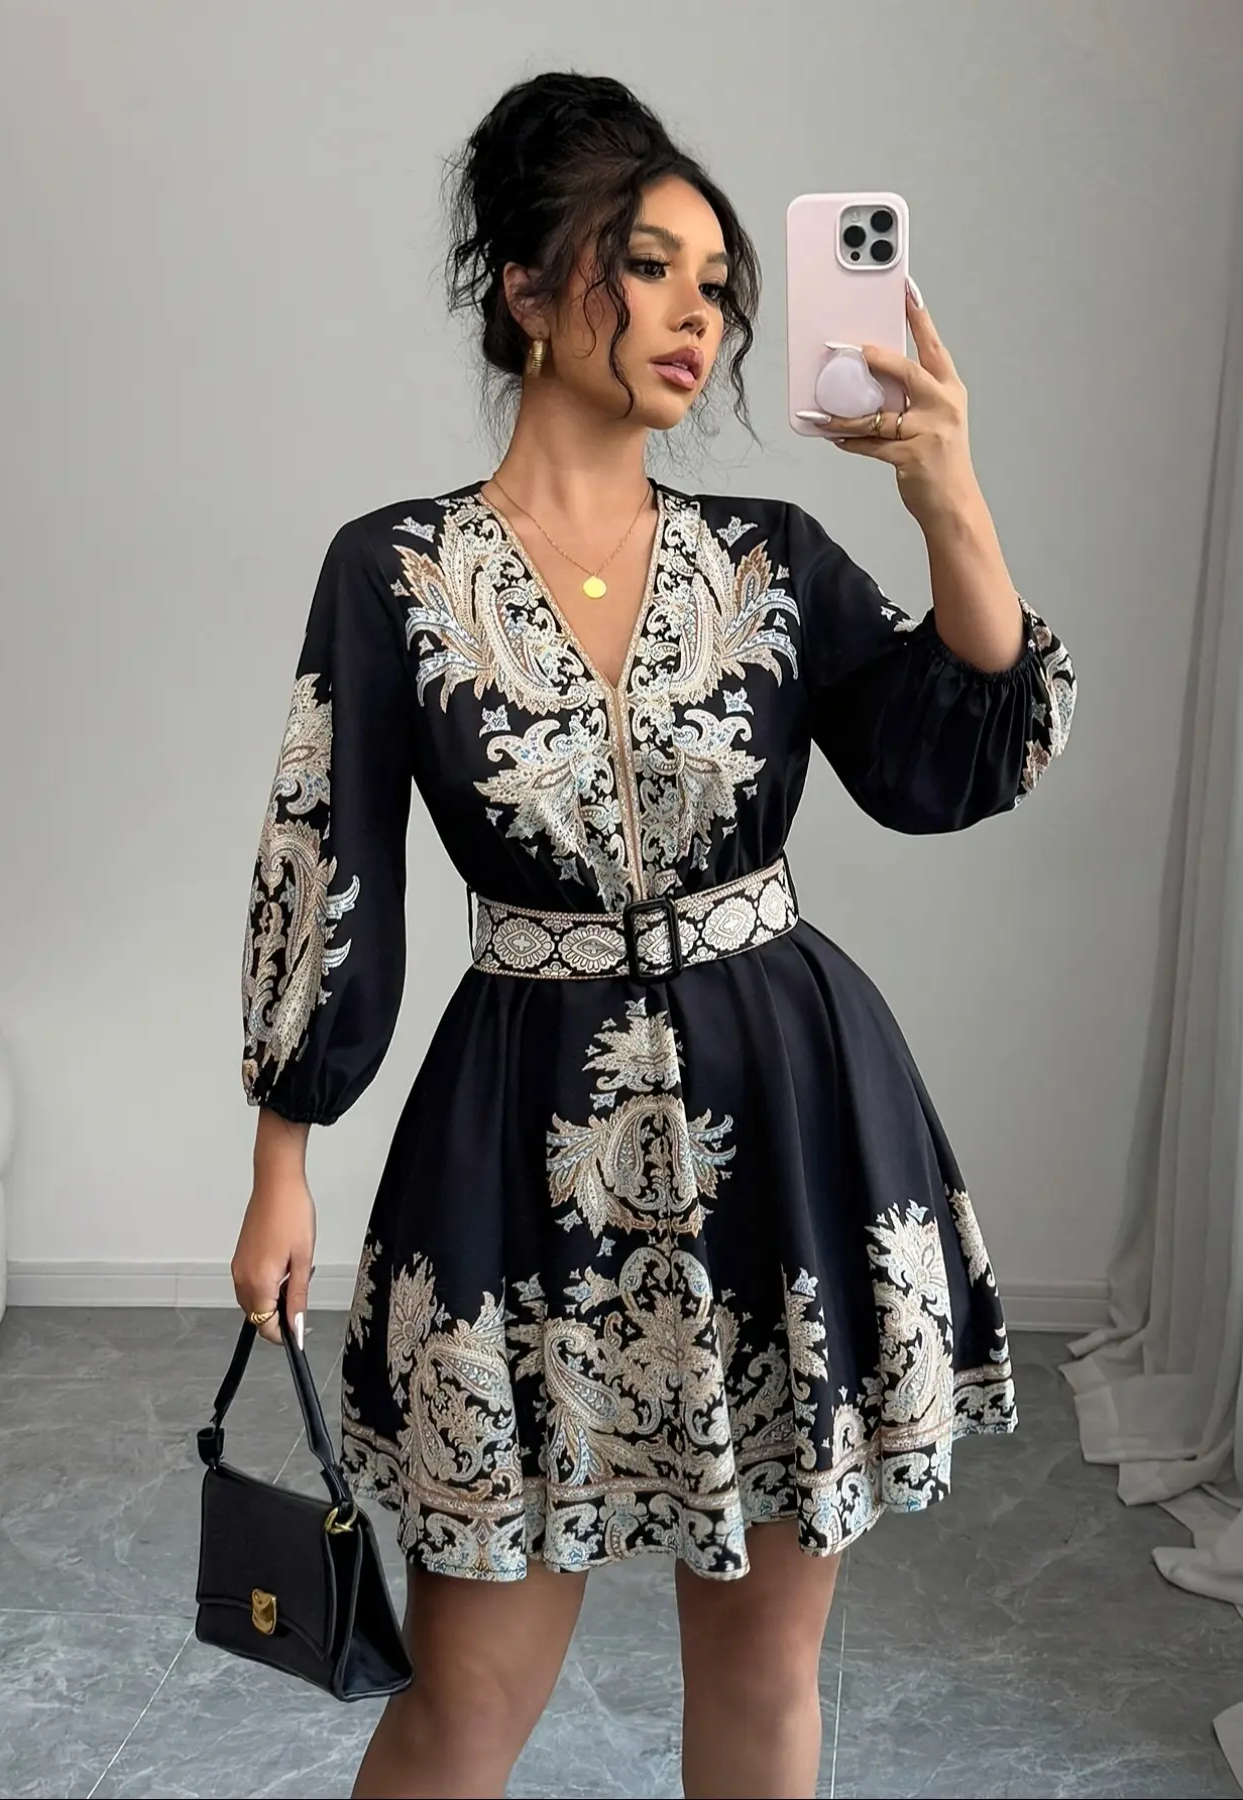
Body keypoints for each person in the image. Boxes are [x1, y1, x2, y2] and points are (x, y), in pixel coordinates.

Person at [231, 70, 1076, 1800]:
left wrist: (947, 490)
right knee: (466, 1696)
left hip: (788, 1114)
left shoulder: (772, 558)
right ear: (530, 291)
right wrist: (280, 1160)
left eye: (718, 284)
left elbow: (954, 751)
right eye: (649, 267)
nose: (702, 314)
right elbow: (324, 861)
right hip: (515, 1137)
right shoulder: (390, 569)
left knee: (765, 1678)